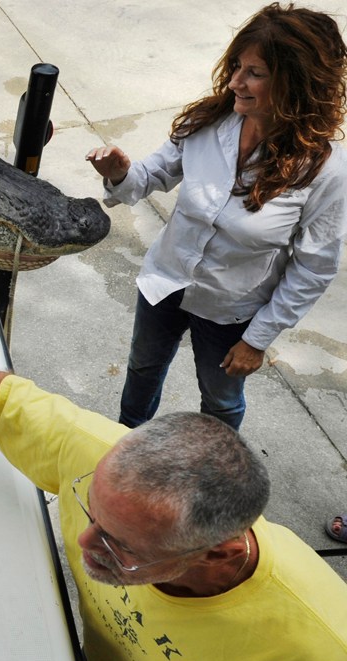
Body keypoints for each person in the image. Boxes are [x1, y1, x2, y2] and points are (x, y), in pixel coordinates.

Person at [0, 361, 347, 661]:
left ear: (218, 551)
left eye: (121, 545)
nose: (84, 544)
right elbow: (1, 395)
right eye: (91, 510)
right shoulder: (97, 457)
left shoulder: (319, 647)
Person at [86, 3, 347, 432]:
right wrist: (119, 173)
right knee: (142, 370)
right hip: (165, 283)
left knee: (221, 402)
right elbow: (147, 178)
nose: (235, 82)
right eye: (236, 66)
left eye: (255, 73)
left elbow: (313, 269)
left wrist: (257, 339)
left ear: (297, 84)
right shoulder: (208, 122)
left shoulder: (323, 170)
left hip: (231, 312)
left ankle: (217, 478)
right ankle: (124, 444)